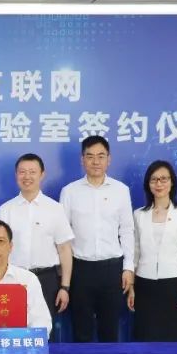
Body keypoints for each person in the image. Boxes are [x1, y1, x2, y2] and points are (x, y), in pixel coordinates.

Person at [59, 136, 134, 342]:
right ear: (82, 159)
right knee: (81, 330)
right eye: (90, 156)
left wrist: (128, 267)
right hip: (80, 269)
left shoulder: (121, 190)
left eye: (101, 156)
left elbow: (127, 230)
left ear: (109, 159)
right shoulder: (69, 191)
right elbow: (63, 235)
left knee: (109, 331)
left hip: (112, 269)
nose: (95, 161)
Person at [0, 153, 74, 340]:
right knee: (11, 333)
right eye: (22, 172)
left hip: (46, 280)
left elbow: (64, 250)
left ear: (42, 174)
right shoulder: (6, 210)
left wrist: (65, 287)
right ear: (16, 175)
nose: (27, 176)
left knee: (44, 336)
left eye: (32, 172)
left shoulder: (55, 208)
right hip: (13, 279)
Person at [126, 161, 177, 341]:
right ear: (148, 184)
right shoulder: (139, 214)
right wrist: (131, 287)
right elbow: (135, 252)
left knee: (174, 336)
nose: (159, 184)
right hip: (144, 283)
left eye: (164, 179)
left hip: (173, 283)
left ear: (172, 182)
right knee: (145, 335)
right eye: (154, 179)